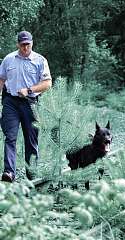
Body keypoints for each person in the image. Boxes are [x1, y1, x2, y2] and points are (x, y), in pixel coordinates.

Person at [0, 31, 52, 182]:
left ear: (32, 43)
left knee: (31, 139)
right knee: (10, 137)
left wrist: (29, 90)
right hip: (10, 102)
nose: (25, 47)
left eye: (27, 44)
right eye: (22, 45)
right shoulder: (9, 59)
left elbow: (47, 83)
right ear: (18, 44)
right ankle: (9, 172)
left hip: (30, 103)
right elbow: (1, 79)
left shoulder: (40, 60)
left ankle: (32, 172)